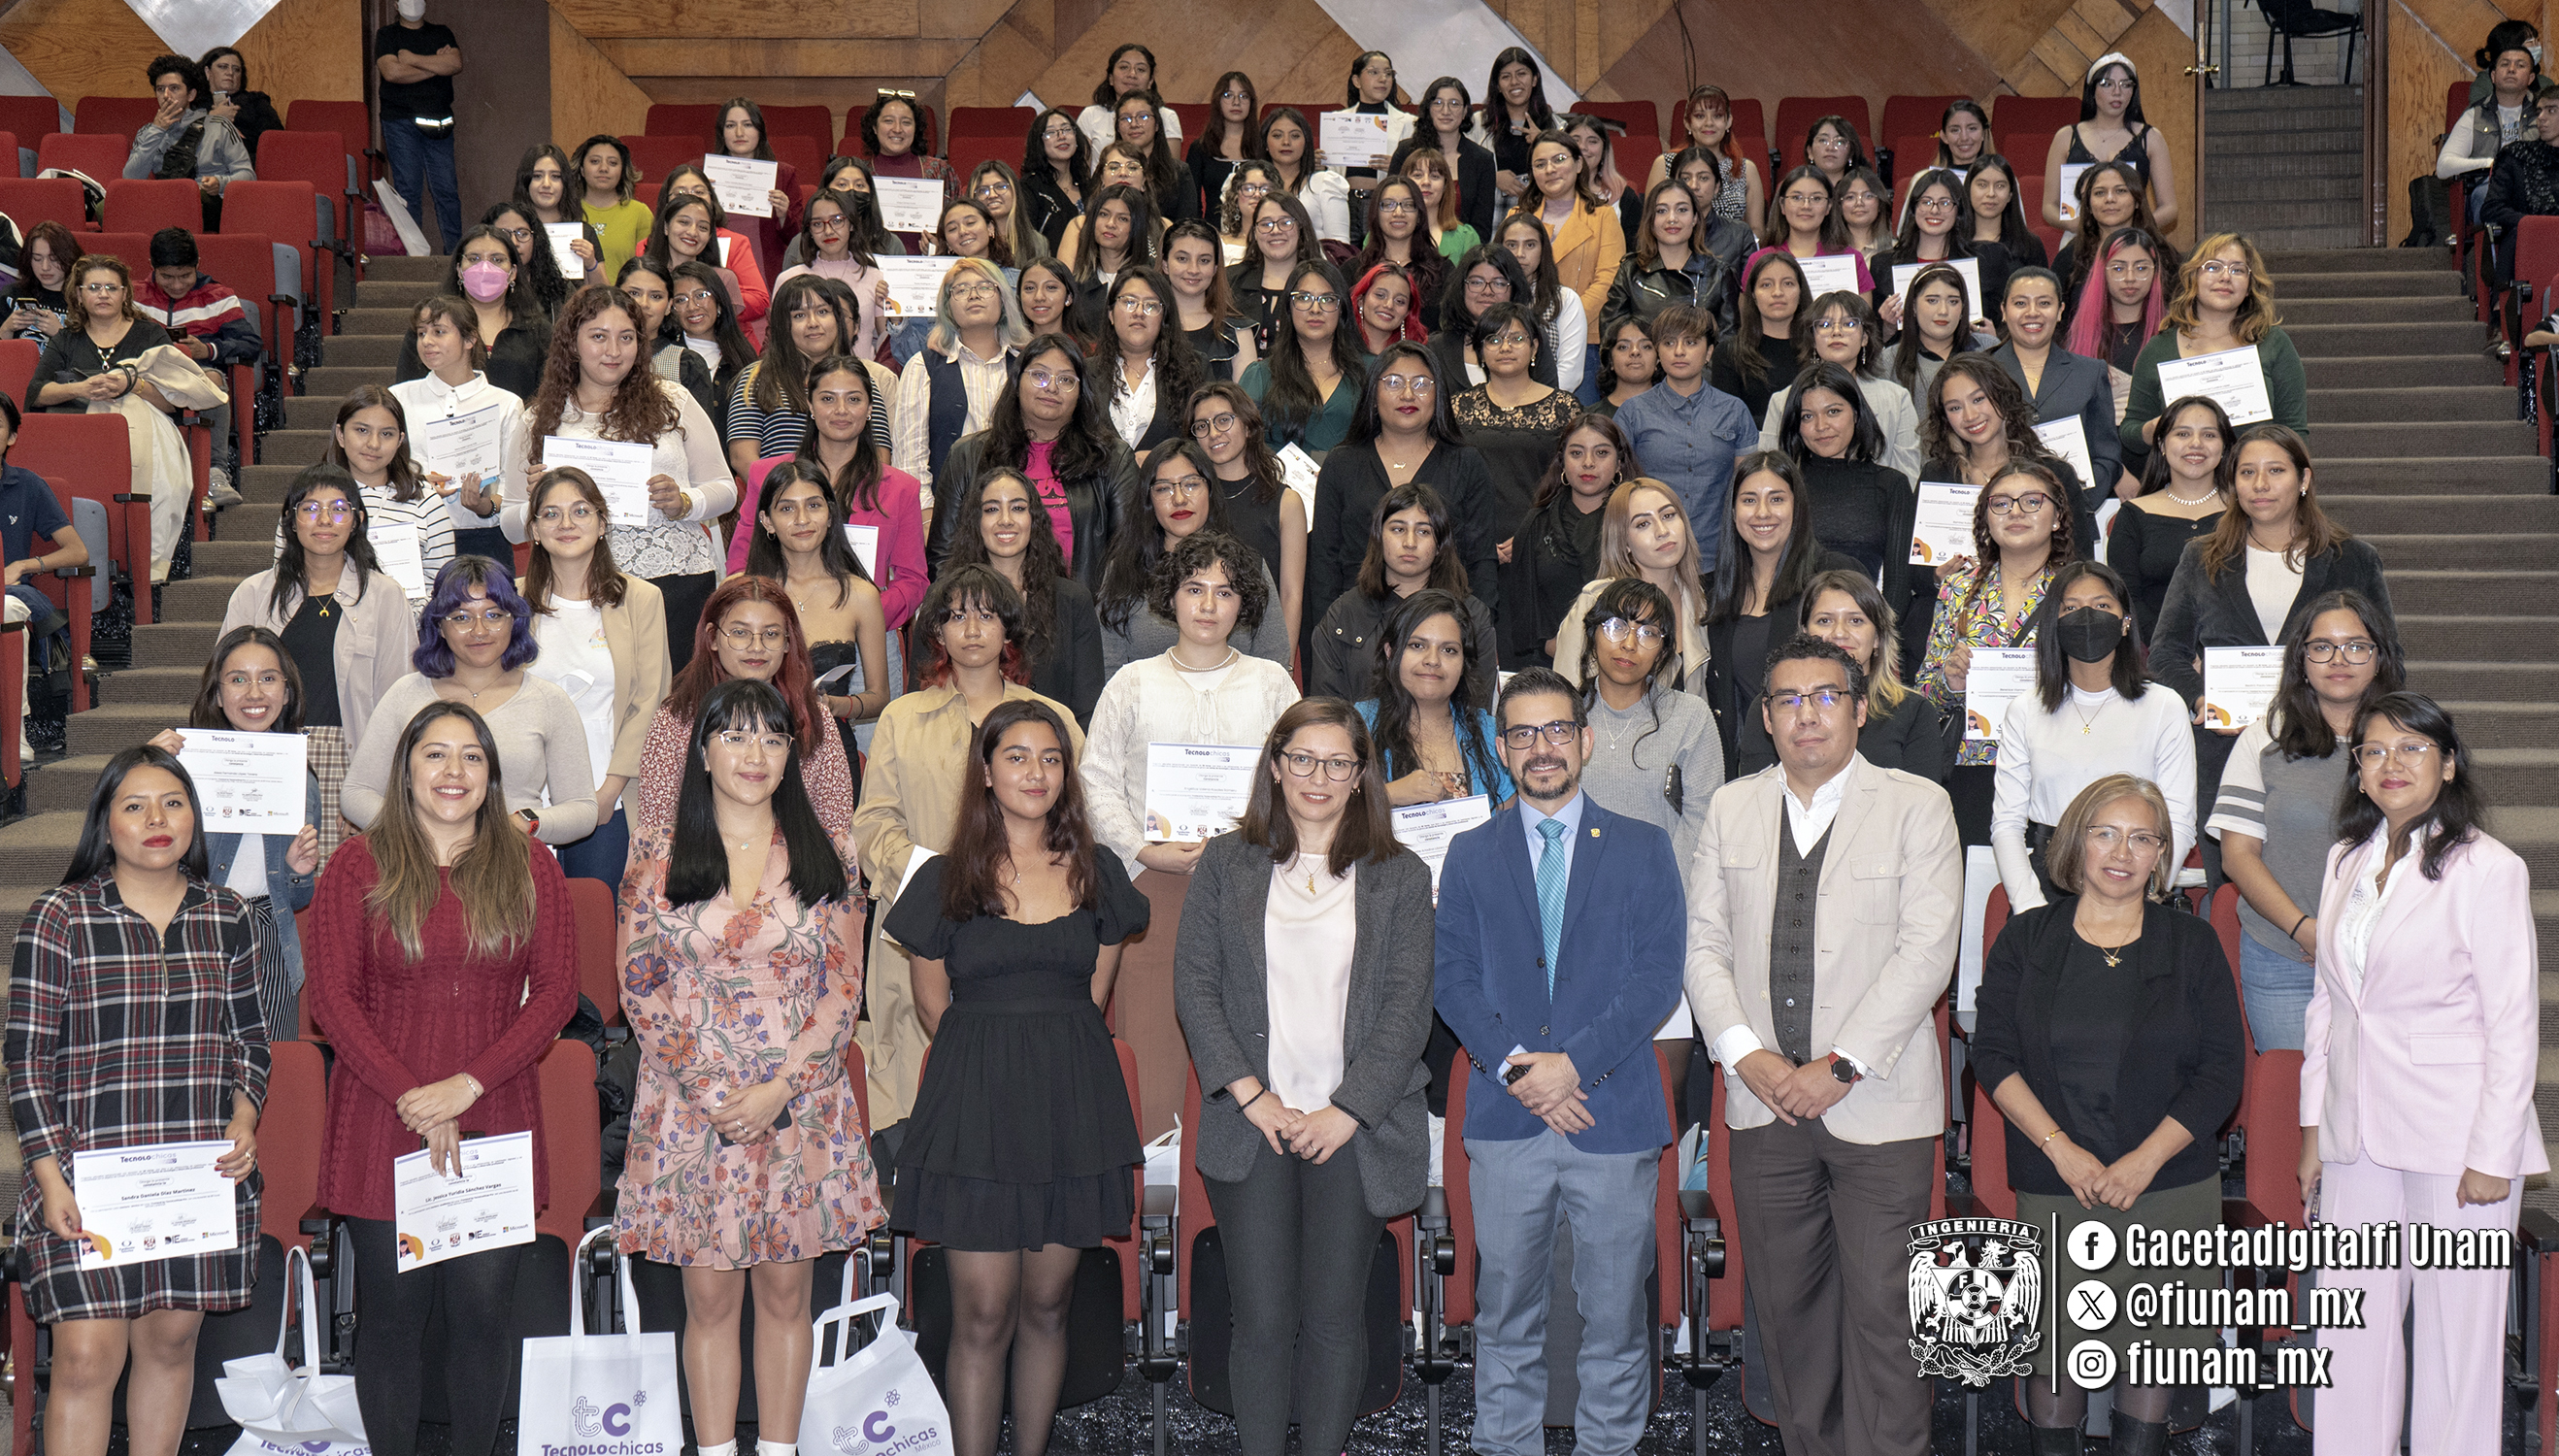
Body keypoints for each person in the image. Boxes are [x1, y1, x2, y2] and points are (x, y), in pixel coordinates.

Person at [1685, 633, 1961, 1456]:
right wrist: (1748, 1055)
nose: (1808, 715)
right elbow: (1703, 945)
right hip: (1764, 1105)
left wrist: (1839, 1065)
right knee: (1791, 1325)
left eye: (1825, 697)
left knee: (1887, 1321)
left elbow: (1929, 949)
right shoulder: (1733, 807)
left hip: (1877, 1104)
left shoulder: (1916, 803)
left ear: (1856, 707)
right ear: (1766, 718)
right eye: (1788, 701)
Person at [617, 676, 877, 1456]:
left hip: (799, 1103)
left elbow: (843, 988)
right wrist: (715, 1090)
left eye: (771, 737)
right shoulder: (657, 859)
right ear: (701, 753)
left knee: (788, 1293)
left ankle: (782, 1449)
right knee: (708, 1299)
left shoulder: (826, 857)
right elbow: (639, 985)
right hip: (691, 1108)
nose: (754, 753)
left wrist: (780, 1088)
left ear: (792, 755)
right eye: (733, 735)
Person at [307, 698, 570, 1456]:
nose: (453, 772)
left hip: (494, 1113)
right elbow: (332, 998)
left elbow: (555, 994)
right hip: (379, 1118)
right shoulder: (356, 864)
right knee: (391, 1319)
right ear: (406, 767)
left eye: (472, 758)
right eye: (435, 754)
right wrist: (415, 1097)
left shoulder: (532, 866)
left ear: (492, 777)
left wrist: (468, 1086)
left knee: (484, 1318)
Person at [1432, 665, 1682, 1456]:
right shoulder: (1470, 854)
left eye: (1556, 730)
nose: (1542, 748)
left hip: (1612, 1114)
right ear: (1502, 750)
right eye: (1523, 734)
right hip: (1506, 1120)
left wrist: (1571, 1068)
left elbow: (1656, 981)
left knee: (1614, 1321)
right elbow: (1453, 980)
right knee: (1504, 1316)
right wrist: (1521, 1072)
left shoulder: (1645, 846)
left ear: (1585, 739)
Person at [1173, 698, 1434, 1456]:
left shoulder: (1399, 876)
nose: (1318, 776)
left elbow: (1405, 1009)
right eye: (1303, 759)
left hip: (1356, 1126)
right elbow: (1196, 988)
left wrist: (1345, 1110)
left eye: (1338, 762)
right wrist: (1254, 1098)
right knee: (1259, 1317)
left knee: (1333, 1317)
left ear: (1361, 776)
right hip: (1253, 1123)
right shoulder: (1227, 862)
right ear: (1277, 766)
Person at [885, 695, 1145, 1456]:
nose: (1036, 772)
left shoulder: (1097, 871)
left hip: (1072, 1103)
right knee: (983, 1314)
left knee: (1049, 1305)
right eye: (1018, 757)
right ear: (986, 772)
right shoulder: (942, 876)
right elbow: (934, 1005)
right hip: (976, 1109)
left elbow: (1094, 994)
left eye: (1052, 758)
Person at [2300, 693, 2542, 1456]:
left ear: (2447, 762)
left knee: (2455, 1344)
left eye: (2411, 749)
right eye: (2373, 751)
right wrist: (2314, 1128)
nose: (2391, 765)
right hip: (2354, 1131)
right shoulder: (2346, 858)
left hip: (2456, 1136)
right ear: (2358, 770)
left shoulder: (2488, 868)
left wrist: (2492, 1154)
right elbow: (2328, 1006)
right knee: (2349, 1336)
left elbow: (2513, 1022)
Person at [1974, 774, 2242, 1456]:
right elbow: (1994, 1055)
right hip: (2055, 1182)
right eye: (2105, 832)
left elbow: (2221, 1074)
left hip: (2169, 1187)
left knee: (2151, 1357)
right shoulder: (2026, 938)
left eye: (2142, 837)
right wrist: (2062, 1150)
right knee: (2057, 1356)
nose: (2122, 851)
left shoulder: (2194, 943)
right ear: (2076, 844)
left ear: (2161, 855)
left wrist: (2143, 1163)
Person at [7, 746, 264, 1456]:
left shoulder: (230, 915)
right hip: (86, 1175)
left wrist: (245, 1118)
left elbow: (251, 1041)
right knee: (87, 1358)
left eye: (173, 803)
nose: (157, 819)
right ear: (105, 823)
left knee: (173, 1343)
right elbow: (25, 1060)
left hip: (193, 1175)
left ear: (194, 819)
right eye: (135, 805)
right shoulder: (60, 915)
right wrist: (50, 1175)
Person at [854, 568, 1088, 1132]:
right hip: (925, 922)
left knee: (1015, 1103)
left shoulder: (1052, 720)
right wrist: (932, 879)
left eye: (986, 614)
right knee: (918, 1102)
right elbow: (875, 820)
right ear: (936, 630)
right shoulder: (902, 717)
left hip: (1024, 928)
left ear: (1009, 628)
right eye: (956, 615)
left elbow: (1078, 823)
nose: (971, 628)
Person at [2150, 422, 2392, 829]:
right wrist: (2199, 701)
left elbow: (2389, 656)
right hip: (2223, 749)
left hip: (2327, 746)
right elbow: (2165, 652)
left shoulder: (2353, 559)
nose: (2260, 484)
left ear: (2304, 479)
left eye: (2276, 471)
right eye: (2247, 473)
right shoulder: (2201, 557)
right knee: (2233, 874)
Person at [2206, 591, 2401, 1051]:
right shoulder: (2265, 736)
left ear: (2378, 658)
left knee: (2384, 1106)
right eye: (2322, 646)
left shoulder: (2408, 740)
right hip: (2286, 954)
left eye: (2357, 645)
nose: (2340, 659)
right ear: (2302, 660)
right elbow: (2237, 855)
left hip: (2389, 955)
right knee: (2297, 1105)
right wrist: (2305, 930)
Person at [513, 286, 733, 672]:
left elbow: (725, 490)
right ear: (573, 344)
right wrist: (537, 504)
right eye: (599, 336)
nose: (614, 351)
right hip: (578, 586)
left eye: (626, 337)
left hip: (676, 579)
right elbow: (510, 522)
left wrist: (685, 502)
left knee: (675, 705)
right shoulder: (538, 419)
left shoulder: (673, 401)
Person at [223, 466, 417, 868]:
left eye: (339, 509)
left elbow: (401, 704)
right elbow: (225, 687)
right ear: (291, 521)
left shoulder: (384, 596)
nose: (325, 520)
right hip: (268, 758)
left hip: (352, 761)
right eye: (310, 508)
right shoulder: (254, 593)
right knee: (269, 883)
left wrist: (374, 793)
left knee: (343, 894)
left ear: (357, 520)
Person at [1082, 531, 1302, 877]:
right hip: (1148, 875)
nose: (1208, 606)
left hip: (1255, 873)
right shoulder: (1130, 683)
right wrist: (1141, 851)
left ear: (1243, 604)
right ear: (1171, 598)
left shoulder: (1271, 683)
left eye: (1225, 592)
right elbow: (1097, 780)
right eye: (1195, 589)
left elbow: (1297, 775)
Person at [340, 555, 596, 847]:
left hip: (512, 862)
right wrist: (415, 832)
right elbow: (357, 792)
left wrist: (522, 822)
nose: (479, 631)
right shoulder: (405, 693)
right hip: (417, 867)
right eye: (461, 617)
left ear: (514, 621)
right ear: (439, 626)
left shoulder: (549, 701)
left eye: (494, 615)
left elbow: (583, 810)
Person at [1990, 560, 2196, 910]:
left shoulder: (2164, 706)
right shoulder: (2025, 709)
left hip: (2134, 878)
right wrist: (2028, 907)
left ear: (2125, 621)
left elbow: (2179, 818)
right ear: (2053, 623)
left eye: (2102, 606)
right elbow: (2007, 822)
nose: (2086, 617)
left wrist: (2144, 897)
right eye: (2070, 608)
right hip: (2048, 883)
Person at [147, 628, 323, 1037]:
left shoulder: (300, 778)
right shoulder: (179, 765)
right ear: (218, 692)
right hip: (189, 929)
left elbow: (296, 897)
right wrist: (148, 769)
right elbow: (127, 848)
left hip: (267, 936)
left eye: (268, 678)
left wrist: (299, 869)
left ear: (287, 690)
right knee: (188, 1067)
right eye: (238, 679)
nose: (254, 693)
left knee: (265, 1072)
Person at [519, 466, 669, 887]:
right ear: (533, 529)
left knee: (596, 925)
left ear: (603, 523)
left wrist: (610, 791)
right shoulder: (509, 601)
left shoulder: (640, 598)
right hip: (525, 797)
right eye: (550, 514)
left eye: (580, 511)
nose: (566, 524)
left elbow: (650, 701)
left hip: (609, 796)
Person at [1913, 461, 2074, 848]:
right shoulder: (1958, 588)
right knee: (1977, 899)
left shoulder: (2081, 587)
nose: (2016, 511)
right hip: (1974, 767)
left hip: (2058, 764)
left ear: (2056, 517)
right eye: (2000, 504)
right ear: (1985, 520)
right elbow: (1922, 697)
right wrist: (1950, 682)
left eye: (2032, 501)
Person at [632, 577, 860, 843]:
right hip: (698, 869)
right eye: (740, 633)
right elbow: (656, 833)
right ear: (712, 638)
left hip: (797, 871)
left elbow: (836, 832)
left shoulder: (813, 717)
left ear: (788, 642)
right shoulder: (674, 720)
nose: (756, 647)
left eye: (771, 634)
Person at [1305, 343, 1499, 636]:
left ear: (1438, 396)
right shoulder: (1342, 463)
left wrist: (1476, 633)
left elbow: (1482, 559)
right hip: (1356, 629)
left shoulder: (1466, 463)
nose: (1408, 394)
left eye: (1421, 384)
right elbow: (1324, 562)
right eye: (1393, 383)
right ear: (1373, 394)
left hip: (1444, 630)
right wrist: (1329, 633)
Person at [927, 332, 1136, 592]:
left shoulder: (1112, 459)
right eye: (1039, 375)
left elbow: (1127, 555)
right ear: (1016, 381)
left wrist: (1091, 622)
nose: (1051, 387)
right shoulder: (968, 454)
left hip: (1081, 617)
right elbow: (943, 555)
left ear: (1082, 392)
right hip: (987, 616)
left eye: (1066, 380)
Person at [28, 254, 188, 584]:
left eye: (111, 288)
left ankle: (150, 564)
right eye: (94, 287)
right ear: (79, 295)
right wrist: (82, 387)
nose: (103, 294)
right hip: (81, 433)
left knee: (163, 470)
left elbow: (174, 402)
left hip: (145, 429)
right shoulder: (67, 339)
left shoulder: (150, 335)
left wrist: (135, 385)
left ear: (125, 294)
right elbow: (36, 394)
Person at [1704, 451, 1864, 777]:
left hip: (1825, 764)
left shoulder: (1833, 573)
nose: (1763, 513)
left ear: (1797, 507)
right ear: (1733, 512)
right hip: (1748, 771)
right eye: (1749, 500)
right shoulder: (1715, 592)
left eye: (1776, 499)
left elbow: (1867, 669)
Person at [737, 461, 892, 766]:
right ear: (766, 521)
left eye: (813, 505)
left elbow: (879, 697)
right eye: (786, 509)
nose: (802, 519)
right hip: (753, 750)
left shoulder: (861, 595)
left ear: (831, 514)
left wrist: (834, 705)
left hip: (831, 749)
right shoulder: (741, 592)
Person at [2119, 234, 2308, 481]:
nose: (2225, 277)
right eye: (2213, 267)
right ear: (2192, 277)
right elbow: (2130, 431)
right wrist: (2153, 429)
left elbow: (2295, 433)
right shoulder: (2158, 349)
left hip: (2255, 490)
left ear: (2250, 282)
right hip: (2182, 488)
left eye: (2237, 269)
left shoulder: (2274, 343)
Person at [1098, 441, 1288, 673]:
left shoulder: (1246, 564)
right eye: (1163, 488)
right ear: (1148, 500)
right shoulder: (1125, 568)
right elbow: (1109, 667)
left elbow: (1274, 659)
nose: (1179, 499)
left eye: (1191, 484)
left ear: (1210, 489)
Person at [1569, 577, 1720, 863]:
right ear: (1593, 634)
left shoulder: (1690, 717)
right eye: (1616, 626)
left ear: (1663, 650)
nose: (1629, 644)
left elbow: (1702, 820)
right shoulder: (1564, 716)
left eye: (1648, 633)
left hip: (1662, 892)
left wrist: (1667, 891)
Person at [944, 470, 1104, 726]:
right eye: (992, 509)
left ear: (1034, 519)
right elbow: (923, 696)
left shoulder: (1073, 601)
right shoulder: (944, 598)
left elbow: (1087, 712)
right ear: (976, 521)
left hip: (1048, 753)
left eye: (1017, 508)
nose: (1005, 520)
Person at [1314, 481, 1498, 701]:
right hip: (1361, 734)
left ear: (1440, 544)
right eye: (1398, 529)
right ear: (1379, 537)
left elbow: (1478, 708)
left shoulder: (1473, 615)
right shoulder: (1344, 614)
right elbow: (1326, 710)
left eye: (1423, 531)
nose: (1410, 542)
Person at [1612, 304, 1752, 566]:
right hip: (1649, 558)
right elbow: (1618, 490)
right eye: (1668, 342)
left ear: (1709, 351)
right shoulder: (1632, 412)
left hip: (1717, 556)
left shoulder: (1734, 410)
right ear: (1657, 351)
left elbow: (1746, 490)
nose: (1679, 351)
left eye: (1691, 342)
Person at [390, 294, 526, 563]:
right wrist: (417, 483)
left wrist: (483, 506)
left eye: (439, 332)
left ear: (469, 339)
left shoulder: (506, 404)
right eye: (421, 333)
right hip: (415, 534)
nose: (427, 342)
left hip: (483, 540)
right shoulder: (398, 398)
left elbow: (513, 490)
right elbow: (382, 471)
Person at [1774, 358, 1921, 602]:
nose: (1821, 426)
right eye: (1807, 416)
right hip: (1788, 625)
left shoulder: (1891, 485)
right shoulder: (1783, 485)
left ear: (1856, 412)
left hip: (1862, 626)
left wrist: (1879, 637)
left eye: (1833, 412)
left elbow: (1898, 588)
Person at [1550, 478, 1712, 697]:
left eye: (1668, 515)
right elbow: (1564, 698)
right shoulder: (1595, 601)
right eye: (1643, 524)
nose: (1662, 530)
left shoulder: (1697, 602)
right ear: (1624, 542)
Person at [1354, 586, 1512, 806]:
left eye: (1448, 650)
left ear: (1464, 663)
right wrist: (1387, 795)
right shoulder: (1355, 726)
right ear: (1390, 653)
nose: (1432, 660)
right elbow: (1324, 808)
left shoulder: (1490, 736)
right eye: (1417, 646)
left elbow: (1508, 826)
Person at [892, 256, 1031, 502]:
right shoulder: (922, 366)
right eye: (961, 289)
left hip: (1019, 507)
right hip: (945, 511)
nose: (973, 295)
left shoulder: (1027, 366)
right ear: (947, 307)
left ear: (1003, 299)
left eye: (985, 287)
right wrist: (926, 517)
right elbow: (910, 461)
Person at [135, 227, 258, 502]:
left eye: (185, 276)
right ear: (152, 267)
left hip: (198, 373)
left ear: (197, 266)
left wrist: (208, 349)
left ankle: (215, 474)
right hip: (148, 376)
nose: (177, 285)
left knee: (212, 381)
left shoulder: (218, 296)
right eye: (167, 276)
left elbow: (251, 344)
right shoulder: (133, 296)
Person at [1800, 569, 1956, 783]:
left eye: (1855, 621)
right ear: (1804, 633)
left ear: (1877, 638)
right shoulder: (1777, 706)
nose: (1839, 633)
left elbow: (1924, 808)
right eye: (1825, 621)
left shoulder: (1914, 713)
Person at [1502, 413, 1629, 668]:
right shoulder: (1536, 523)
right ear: (1562, 462)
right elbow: (1523, 612)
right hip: (1547, 664)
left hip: (1624, 661)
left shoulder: (1634, 522)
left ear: (1618, 464)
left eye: (1601, 453)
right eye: (1577, 453)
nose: (1588, 463)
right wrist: (1561, 648)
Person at [1756, 290, 1922, 481]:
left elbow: (1908, 476)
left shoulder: (1895, 398)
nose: (1836, 332)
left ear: (1865, 337)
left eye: (1849, 324)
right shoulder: (1783, 400)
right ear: (1813, 339)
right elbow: (1768, 474)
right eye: (1825, 325)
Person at [2106, 395, 2233, 643]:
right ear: (2162, 445)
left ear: (2225, 447)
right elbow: (2127, 597)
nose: (2196, 444)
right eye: (2182, 434)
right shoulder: (2133, 514)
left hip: (2232, 655)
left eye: (2209, 435)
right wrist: (2172, 650)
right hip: (2154, 654)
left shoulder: (2246, 511)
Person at [1991, 267, 2122, 500]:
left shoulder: (2090, 372)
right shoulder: (1981, 371)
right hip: (1998, 509)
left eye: (2044, 303)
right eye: (2020, 304)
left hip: (2073, 513)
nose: (2032, 313)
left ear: (2060, 311)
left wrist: (2075, 505)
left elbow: (2107, 456)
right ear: (2003, 310)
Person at [316, 384, 452, 608]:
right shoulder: (310, 500)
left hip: (408, 631)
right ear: (340, 435)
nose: (374, 444)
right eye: (362, 430)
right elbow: (288, 575)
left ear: (400, 441)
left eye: (386, 434)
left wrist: (403, 622)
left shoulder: (425, 501)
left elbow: (443, 587)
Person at [1188, 386, 1303, 644]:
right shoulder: (1190, 500)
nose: (1213, 433)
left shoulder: (1286, 502)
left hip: (1262, 643)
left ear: (1248, 426)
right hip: (1198, 641)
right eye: (1202, 426)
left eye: (1224, 420)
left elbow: (1291, 594)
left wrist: (1284, 662)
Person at [1451, 302, 1579, 529]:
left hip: (1545, 536)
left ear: (1535, 347)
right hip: (1472, 538)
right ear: (1480, 350)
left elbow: (1575, 483)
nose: (1505, 348)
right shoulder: (1458, 407)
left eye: (1517, 339)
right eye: (1494, 340)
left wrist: (1534, 534)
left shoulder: (1564, 408)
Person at [394, 227, 552, 402]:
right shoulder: (429, 327)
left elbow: (551, 394)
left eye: (497, 259)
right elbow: (409, 393)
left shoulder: (538, 330)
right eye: (474, 259)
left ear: (513, 273)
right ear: (459, 270)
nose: (485, 267)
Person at [1238, 258, 1365, 451]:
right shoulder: (1260, 376)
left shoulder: (1371, 373)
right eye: (1303, 298)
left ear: (1342, 309)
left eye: (1327, 299)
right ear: (1288, 307)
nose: (1315, 309)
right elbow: (1242, 447)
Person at [2043, 52, 2178, 233]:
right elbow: (2049, 207)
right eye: (2107, 84)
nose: (2117, 92)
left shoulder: (2151, 137)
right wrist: (2071, 224)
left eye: (2126, 85)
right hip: (2079, 239)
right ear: (2092, 90)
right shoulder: (2066, 137)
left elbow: (2169, 208)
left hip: (2134, 239)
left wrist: (2134, 228)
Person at [125, 54, 254, 228]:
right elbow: (131, 179)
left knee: (193, 199)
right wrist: (157, 130)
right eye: (160, 89)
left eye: (174, 88)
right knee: (109, 208)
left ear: (191, 95)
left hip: (207, 201)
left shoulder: (219, 126)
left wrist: (220, 183)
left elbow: (248, 175)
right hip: (164, 199)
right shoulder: (148, 132)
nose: (166, 96)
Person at [372, 2, 462, 247]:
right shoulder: (387, 35)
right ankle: (413, 255)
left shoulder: (441, 32)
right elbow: (392, 73)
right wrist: (436, 66)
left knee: (447, 192)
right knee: (408, 192)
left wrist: (412, 59)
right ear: (395, 4)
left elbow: (455, 64)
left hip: (440, 123)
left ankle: (455, 254)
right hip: (400, 122)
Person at [2440, 34, 2551, 223]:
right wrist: (2492, 163)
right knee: (2495, 201)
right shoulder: (2474, 116)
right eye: (2505, 64)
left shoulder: (2546, 115)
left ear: (2531, 78)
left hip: (2539, 186)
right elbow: (2444, 167)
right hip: (2490, 189)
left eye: (2520, 65)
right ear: (2493, 75)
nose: (2512, 70)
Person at [1600, 180, 1728, 344]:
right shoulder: (1630, 270)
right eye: (1661, 211)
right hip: (1643, 367)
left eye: (1682, 210)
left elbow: (1727, 345)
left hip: (1702, 369)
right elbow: (1612, 335)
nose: (1672, 218)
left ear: (1695, 218)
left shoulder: (1719, 274)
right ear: (1650, 220)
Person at [1101, 266, 1205, 457]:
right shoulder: (1086, 372)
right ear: (1111, 314)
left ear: (1164, 318)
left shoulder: (1193, 369)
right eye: (1129, 302)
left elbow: (1203, 440)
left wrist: (1163, 460)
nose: (1139, 312)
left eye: (1151, 305)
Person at [1425, 245, 1558, 391]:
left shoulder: (1531, 338)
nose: (1487, 291)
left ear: (1514, 289)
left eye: (1499, 283)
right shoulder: (1435, 347)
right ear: (1461, 288)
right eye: (1476, 282)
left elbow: (1549, 401)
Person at [1643, 85, 1764, 232]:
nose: (1709, 123)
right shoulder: (1665, 164)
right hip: (1675, 250)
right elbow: (1649, 223)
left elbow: (1756, 230)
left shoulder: (1745, 169)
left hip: (1732, 251)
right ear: (1688, 122)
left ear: (1728, 122)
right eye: (1700, 116)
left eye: (1717, 116)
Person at [1491, 214, 1590, 392]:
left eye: (1530, 245)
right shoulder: (1487, 297)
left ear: (1543, 250)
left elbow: (1570, 373)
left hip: (1548, 403)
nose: (1520, 254)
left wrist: (1533, 401)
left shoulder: (1565, 299)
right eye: (1511, 245)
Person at [1711, 251, 1809, 424]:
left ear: (1800, 292)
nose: (1777, 292)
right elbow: (1728, 422)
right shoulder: (1728, 354)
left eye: (1788, 283)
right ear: (1753, 295)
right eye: (1766, 285)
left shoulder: (1819, 349)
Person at [2065, 225, 2168, 386]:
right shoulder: (2080, 332)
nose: (2130, 278)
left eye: (2141, 268)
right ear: (2102, 272)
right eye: (2118, 268)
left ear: (2155, 272)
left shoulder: (2171, 331)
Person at [710, 98, 801, 278]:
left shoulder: (783, 175)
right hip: (715, 266)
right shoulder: (704, 174)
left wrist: (784, 215)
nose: (739, 132)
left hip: (765, 269)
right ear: (722, 133)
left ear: (760, 130)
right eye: (730, 126)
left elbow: (798, 239)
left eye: (748, 125)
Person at [861, 93, 957, 254]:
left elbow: (957, 224)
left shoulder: (939, 171)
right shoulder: (860, 175)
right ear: (875, 128)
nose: (897, 129)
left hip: (928, 270)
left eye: (906, 122)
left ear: (915, 129)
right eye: (888, 121)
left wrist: (943, 246)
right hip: (870, 269)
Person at [1348, 180, 1449, 333]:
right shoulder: (1353, 270)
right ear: (1376, 213)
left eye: (1408, 205)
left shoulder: (1443, 271)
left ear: (1419, 215)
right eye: (1388, 205)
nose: (1398, 213)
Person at [1165, 221, 1256, 381]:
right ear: (1165, 264)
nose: (1193, 270)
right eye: (1182, 258)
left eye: (1204, 261)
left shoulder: (1237, 331)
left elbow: (1246, 403)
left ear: (1215, 268)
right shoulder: (1146, 322)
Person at [1886, 262, 1991, 403]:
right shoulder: (1889, 360)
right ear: (1913, 306)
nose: (1943, 311)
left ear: (1963, 308)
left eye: (1953, 302)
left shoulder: (1988, 348)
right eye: (1932, 301)